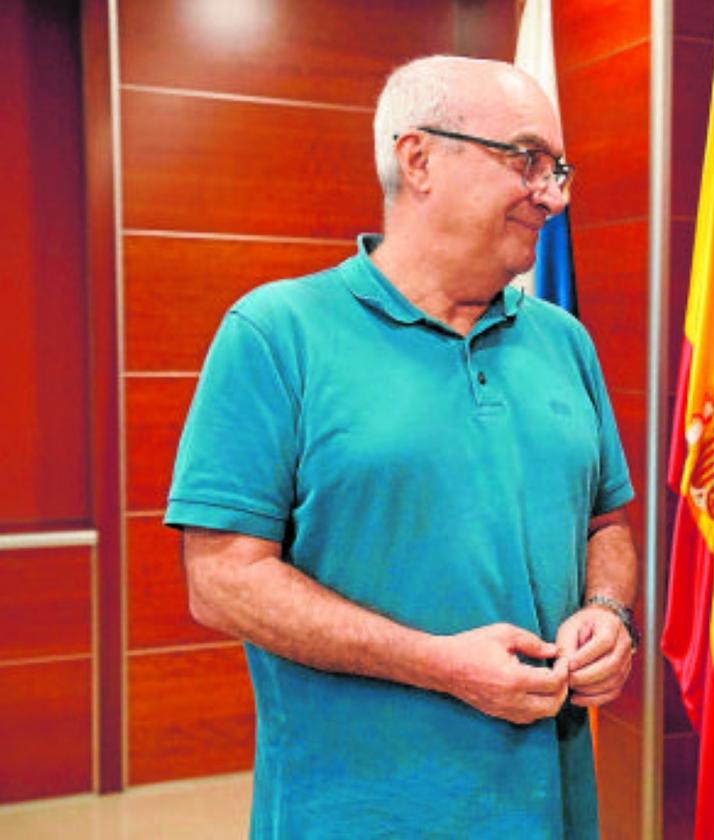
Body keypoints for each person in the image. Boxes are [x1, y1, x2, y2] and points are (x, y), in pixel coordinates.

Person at [165, 56, 639, 839]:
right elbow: (219, 580)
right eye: (527, 160)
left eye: (559, 168)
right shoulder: (275, 334)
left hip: (551, 809)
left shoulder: (565, 342)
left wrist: (607, 610)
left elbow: (606, 526)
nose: (554, 195)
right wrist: (440, 663)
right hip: (354, 812)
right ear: (419, 158)